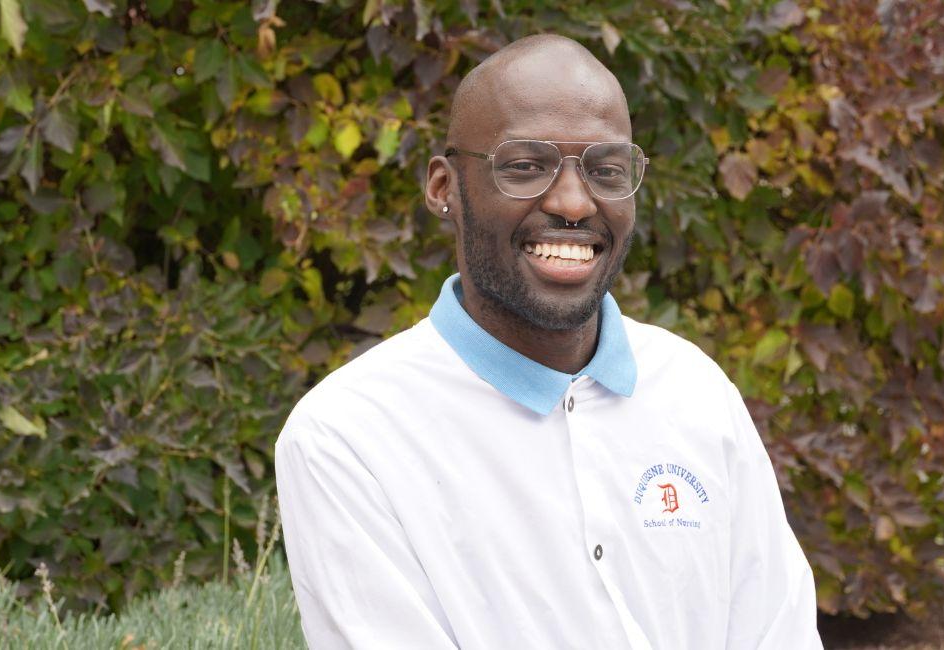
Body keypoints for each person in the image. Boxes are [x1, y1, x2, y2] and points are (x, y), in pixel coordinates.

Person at [275, 34, 822, 649]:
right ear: (443, 188)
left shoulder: (695, 391)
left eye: (606, 169)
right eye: (526, 165)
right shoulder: (349, 436)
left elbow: (779, 632)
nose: (572, 201)